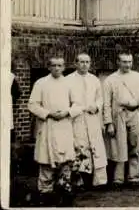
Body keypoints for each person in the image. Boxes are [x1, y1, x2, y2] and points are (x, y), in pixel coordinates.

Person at [28, 56, 83, 206]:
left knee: (66, 161)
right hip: (48, 126)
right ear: (49, 67)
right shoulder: (41, 83)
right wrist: (48, 113)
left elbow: (78, 104)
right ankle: (45, 193)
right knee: (46, 160)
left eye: (60, 65)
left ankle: (64, 190)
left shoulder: (69, 84)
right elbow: (32, 105)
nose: (57, 68)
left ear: (64, 67)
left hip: (65, 126)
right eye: (54, 65)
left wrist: (67, 112)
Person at [102, 51, 139, 188]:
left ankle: (134, 177)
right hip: (119, 115)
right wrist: (108, 123)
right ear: (118, 62)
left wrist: (136, 104)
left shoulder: (138, 77)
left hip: (135, 113)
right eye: (124, 62)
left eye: (130, 62)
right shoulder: (110, 80)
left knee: (134, 146)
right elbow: (106, 103)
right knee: (119, 146)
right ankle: (118, 178)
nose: (128, 65)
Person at [66, 53, 108, 191]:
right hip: (77, 118)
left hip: (92, 117)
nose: (84, 65)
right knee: (79, 147)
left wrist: (96, 106)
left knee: (96, 147)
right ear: (76, 63)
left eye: (87, 62)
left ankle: (99, 181)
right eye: (81, 62)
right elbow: (66, 101)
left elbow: (100, 98)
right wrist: (74, 110)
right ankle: (79, 181)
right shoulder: (68, 80)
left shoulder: (94, 80)